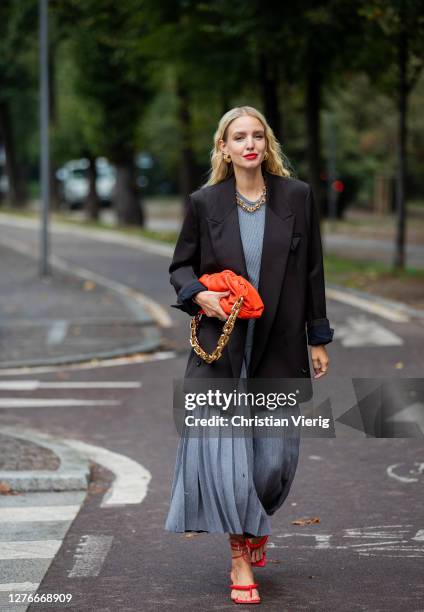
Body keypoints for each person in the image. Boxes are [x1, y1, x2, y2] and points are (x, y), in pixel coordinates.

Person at [165, 105, 334, 604]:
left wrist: (318, 337)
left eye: (257, 136)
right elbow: (180, 267)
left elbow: (313, 273)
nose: (249, 144)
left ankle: (254, 521)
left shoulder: (297, 197)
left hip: (280, 343)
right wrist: (200, 295)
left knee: (274, 462)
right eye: (239, 137)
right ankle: (241, 556)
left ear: (267, 143)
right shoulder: (205, 202)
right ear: (224, 147)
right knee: (230, 461)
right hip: (224, 348)